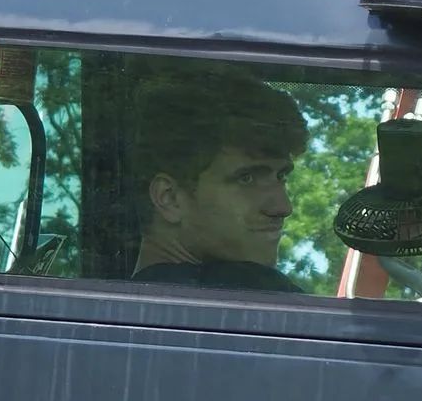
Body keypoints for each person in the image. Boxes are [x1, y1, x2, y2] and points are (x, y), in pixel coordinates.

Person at [126, 64, 308, 290]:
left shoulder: (106, 309)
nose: (283, 207)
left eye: (281, 176)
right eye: (247, 178)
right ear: (169, 198)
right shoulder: (251, 296)